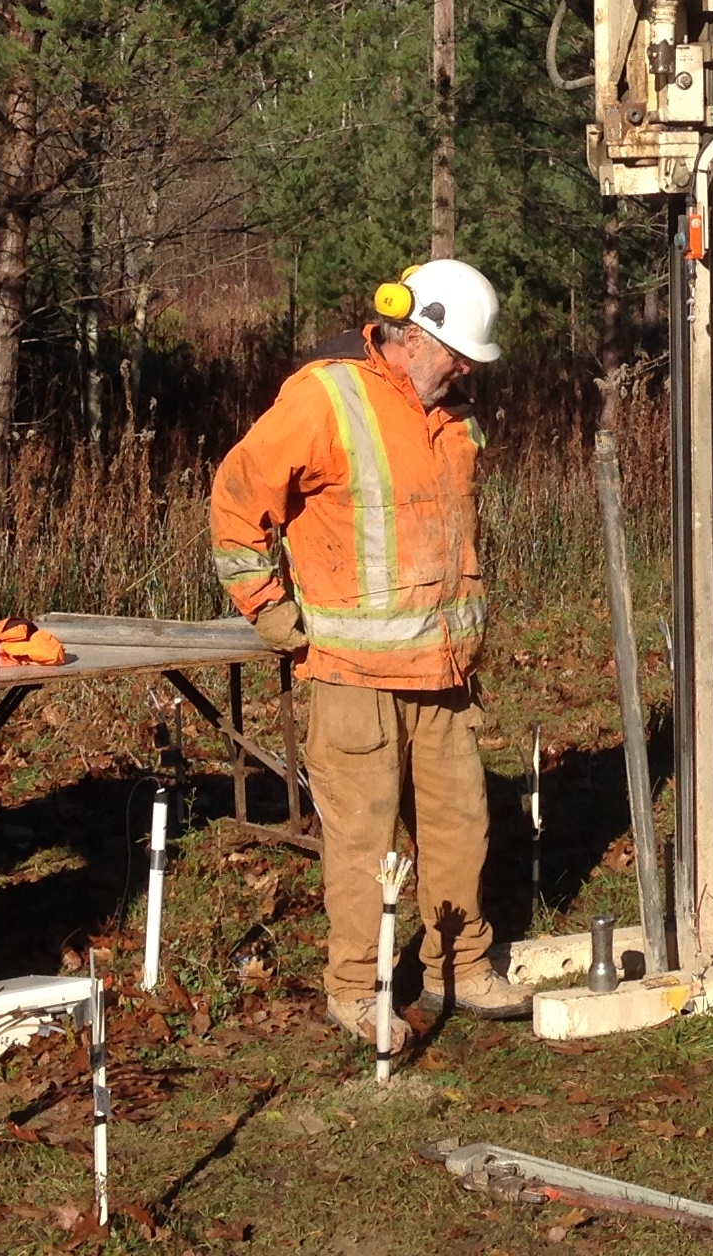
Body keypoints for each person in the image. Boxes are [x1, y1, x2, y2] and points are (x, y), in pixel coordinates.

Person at [209, 260, 525, 1036]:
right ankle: (356, 988)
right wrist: (269, 611)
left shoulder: (450, 409)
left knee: (460, 826)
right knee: (362, 839)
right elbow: (237, 500)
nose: (462, 370)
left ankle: (462, 968)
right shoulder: (323, 399)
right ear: (410, 337)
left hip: (445, 671)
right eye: (455, 354)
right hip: (354, 675)